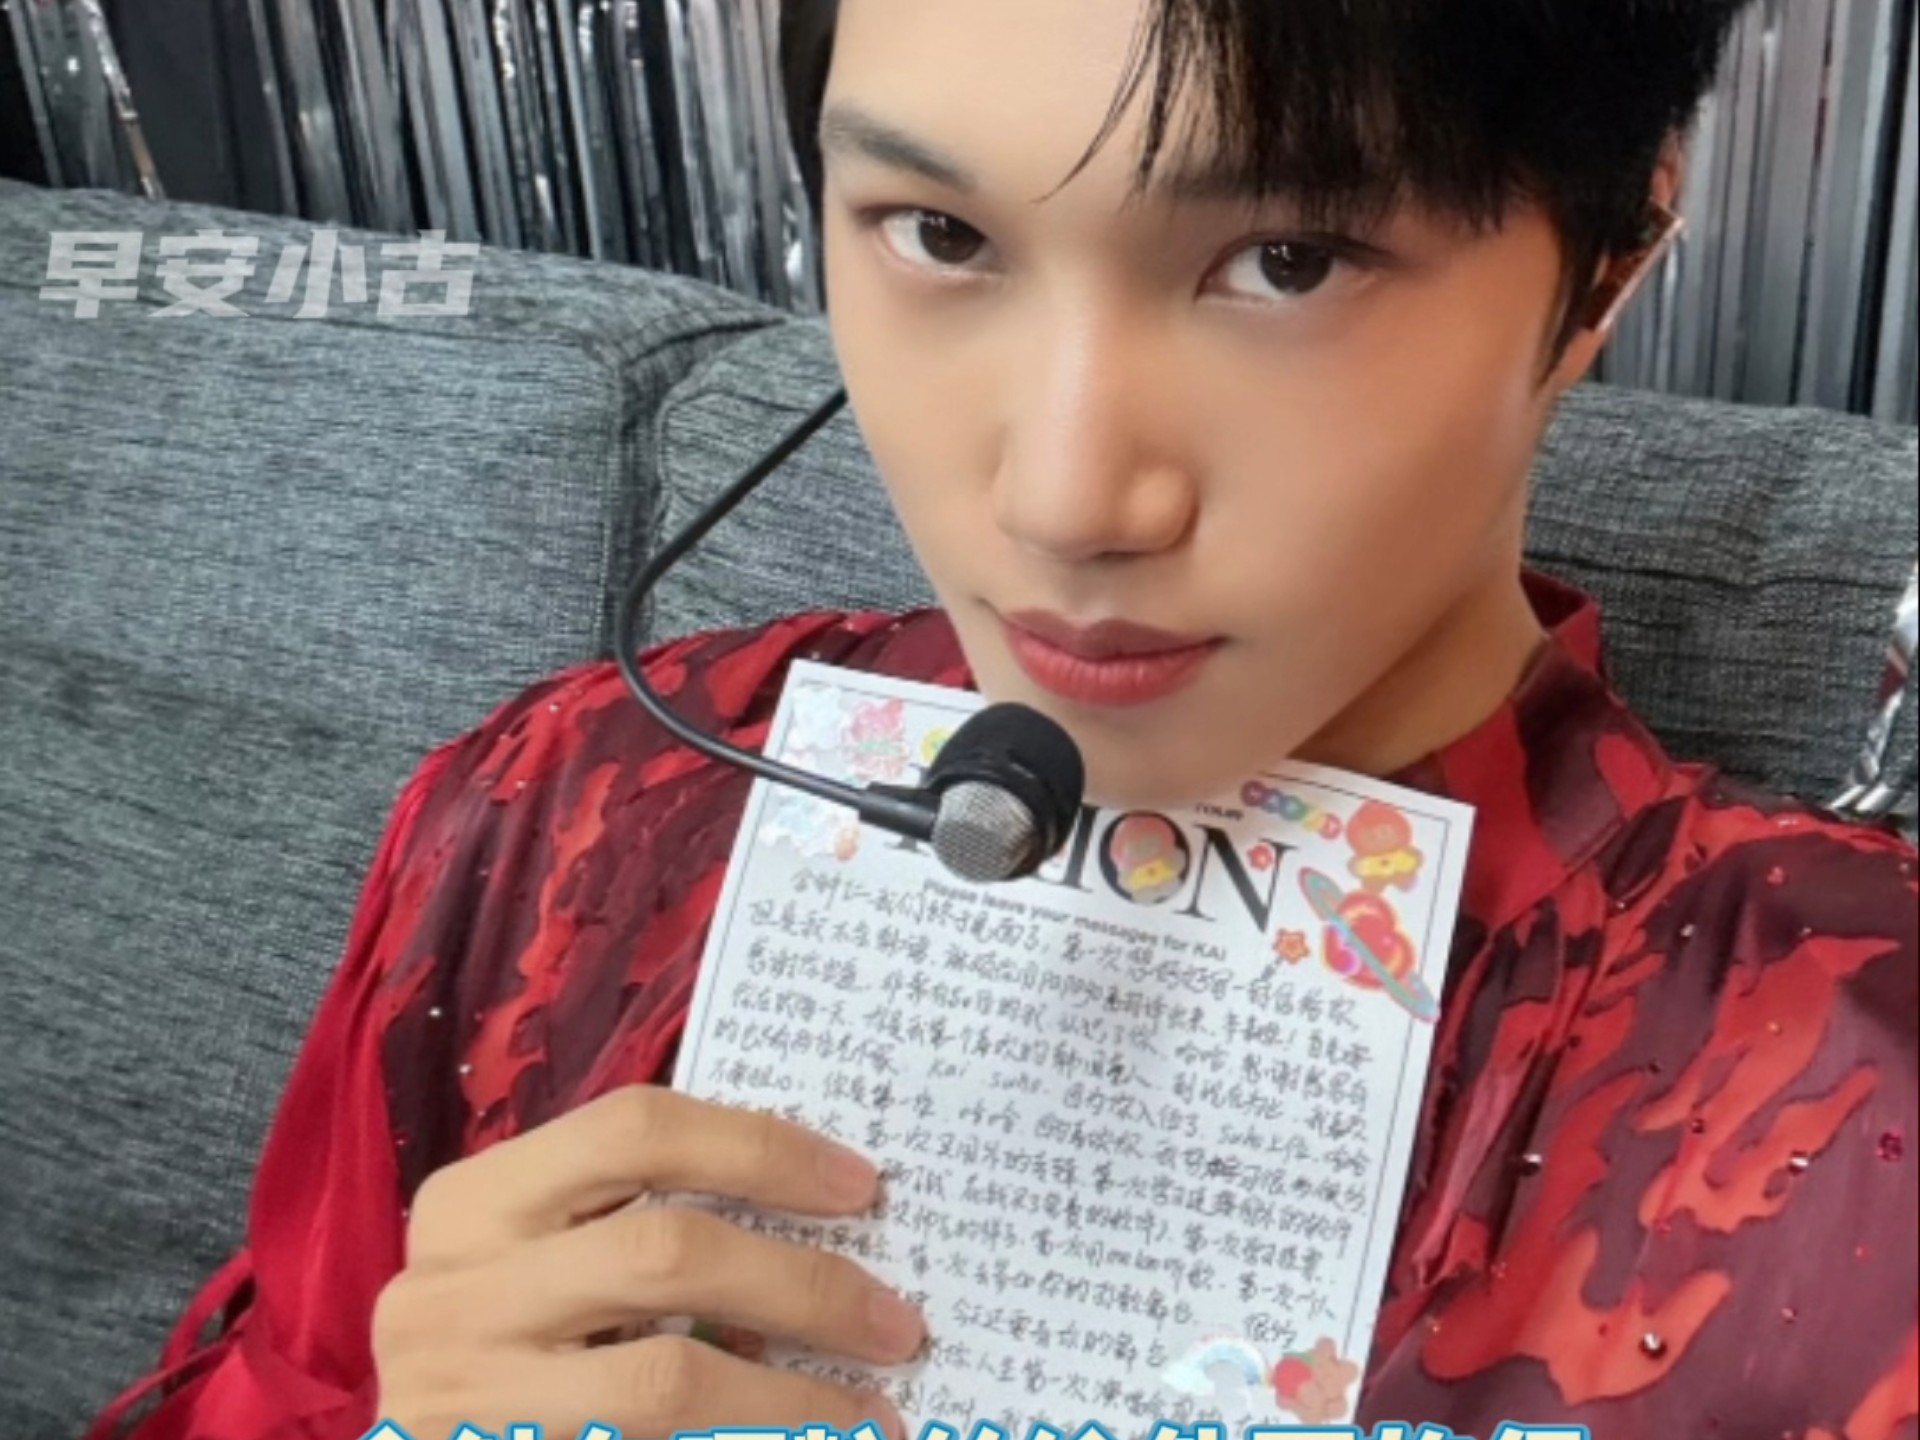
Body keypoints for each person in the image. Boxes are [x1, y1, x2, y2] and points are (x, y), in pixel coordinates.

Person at [92, 1, 1918, 1437]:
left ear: (1610, 255)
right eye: (941, 233)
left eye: (1287, 261)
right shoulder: (568, 822)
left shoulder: (1842, 1096)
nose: (1063, 500)